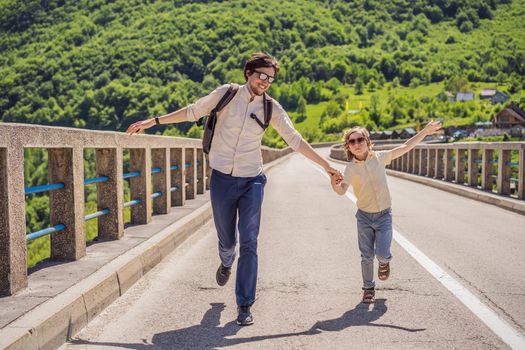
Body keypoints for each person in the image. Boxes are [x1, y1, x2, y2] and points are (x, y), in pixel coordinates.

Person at [126, 52, 339, 326]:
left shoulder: (270, 109)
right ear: (248, 73)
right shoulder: (226, 94)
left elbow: (295, 140)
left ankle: (244, 305)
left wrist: (327, 167)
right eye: (261, 75)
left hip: (253, 179)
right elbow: (193, 111)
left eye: (270, 79)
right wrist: (152, 121)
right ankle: (226, 260)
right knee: (228, 240)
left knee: (250, 241)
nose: (265, 82)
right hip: (222, 179)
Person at [329, 121, 441, 304]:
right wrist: (333, 184)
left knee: (381, 254)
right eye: (352, 142)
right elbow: (341, 191)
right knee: (366, 255)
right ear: (348, 146)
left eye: (360, 140)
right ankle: (368, 289)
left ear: (368, 141)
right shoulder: (350, 168)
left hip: (383, 216)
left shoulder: (380, 158)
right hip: (364, 217)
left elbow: (406, 146)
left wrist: (425, 132)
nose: (356, 144)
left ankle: (384, 262)